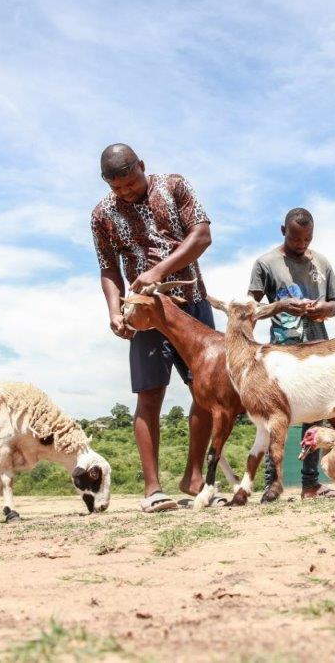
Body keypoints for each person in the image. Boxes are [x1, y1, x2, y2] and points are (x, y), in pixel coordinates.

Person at [90, 143, 215, 512]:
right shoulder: (102, 215)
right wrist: (115, 311)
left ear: (142, 166)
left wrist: (159, 271)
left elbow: (202, 236)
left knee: (206, 393)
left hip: (190, 304)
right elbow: (109, 268)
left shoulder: (175, 186)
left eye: (131, 182)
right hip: (144, 312)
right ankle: (152, 489)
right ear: (106, 184)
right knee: (149, 394)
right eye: (118, 188)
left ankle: (194, 478)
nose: (127, 192)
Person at [248, 207, 335, 499]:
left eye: (308, 239)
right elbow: (250, 310)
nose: (302, 244)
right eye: (296, 239)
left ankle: (310, 484)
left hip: (319, 348)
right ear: (284, 232)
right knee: (274, 419)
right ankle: (272, 484)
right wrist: (281, 306)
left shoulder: (321, 262)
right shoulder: (265, 264)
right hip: (282, 354)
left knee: (315, 416)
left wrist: (324, 309)